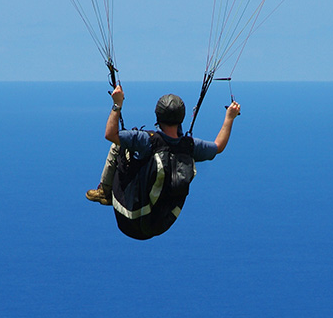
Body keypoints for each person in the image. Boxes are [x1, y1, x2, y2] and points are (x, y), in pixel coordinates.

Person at [86, 84, 241, 239]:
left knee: (118, 144)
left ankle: (104, 191)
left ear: (157, 117)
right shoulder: (189, 147)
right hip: (159, 224)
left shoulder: (146, 141)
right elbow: (218, 146)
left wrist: (117, 104)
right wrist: (230, 117)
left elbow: (110, 134)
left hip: (129, 218)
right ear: (181, 118)